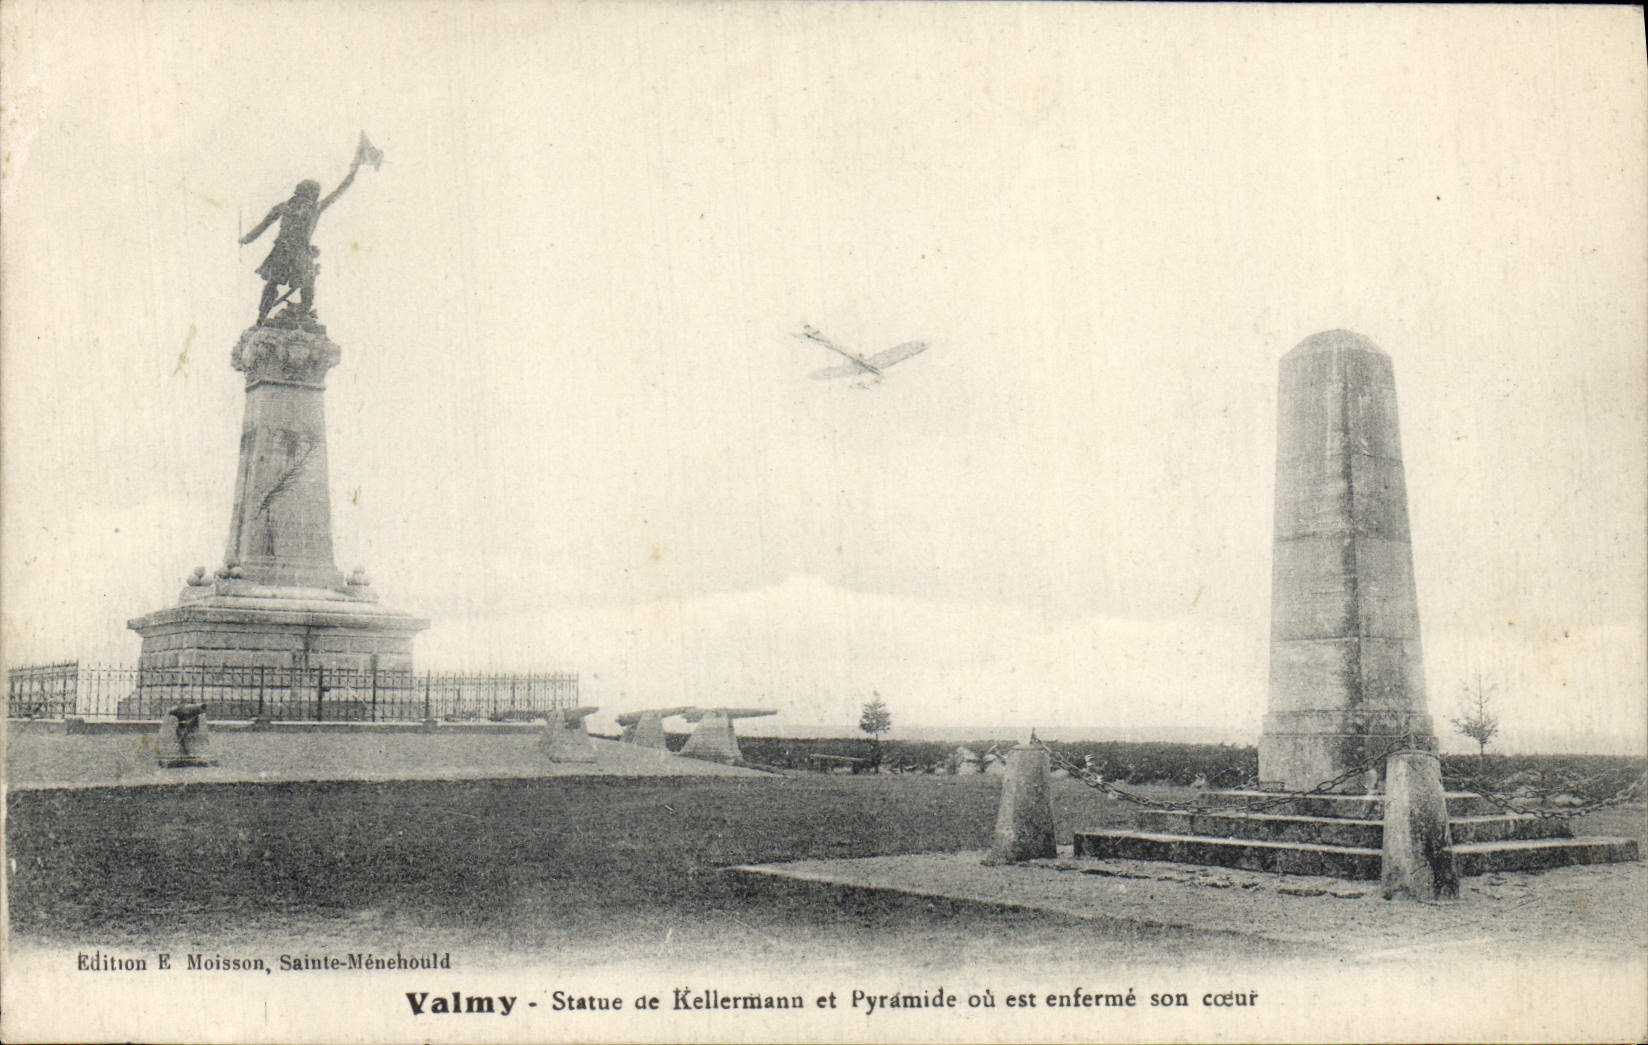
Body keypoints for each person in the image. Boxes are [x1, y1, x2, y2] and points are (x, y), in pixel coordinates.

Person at [240, 153, 363, 324]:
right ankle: (262, 317)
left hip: (298, 250)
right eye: (312, 193)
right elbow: (263, 225)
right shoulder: (290, 207)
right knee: (275, 283)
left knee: (306, 281)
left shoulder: (310, 208)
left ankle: (302, 311)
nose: (311, 198)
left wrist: (352, 174)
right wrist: (246, 239)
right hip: (283, 250)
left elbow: (337, 193)